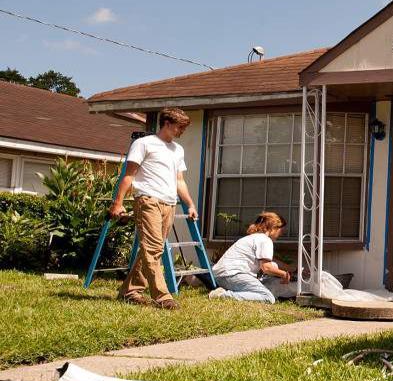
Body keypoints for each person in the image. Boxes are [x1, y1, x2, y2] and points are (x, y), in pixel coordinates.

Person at [109, 108, 196, 310]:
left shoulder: (178, 150)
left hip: (169, 203)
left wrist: (190, 204)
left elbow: (179, 181)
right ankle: (163, 296)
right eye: (179, 127)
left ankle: (129, 291)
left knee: (151, 249)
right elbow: (129, 175)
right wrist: (118, 202)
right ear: (166, 123)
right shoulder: (144, 144)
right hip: (147, 200)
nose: (182, 131)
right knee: (154, 247)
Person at [208, 212, 293, 304]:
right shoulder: (265, 240)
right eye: (281, 230)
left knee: (272, 269)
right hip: (233, 275)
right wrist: (284, 274)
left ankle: (229, 291)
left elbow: (272, 261)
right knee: (268, 297)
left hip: (221, 275)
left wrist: (293, 269)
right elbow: (266, 267)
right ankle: (222, 296)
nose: (281, 234)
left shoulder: (254, 238)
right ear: (274, 228)